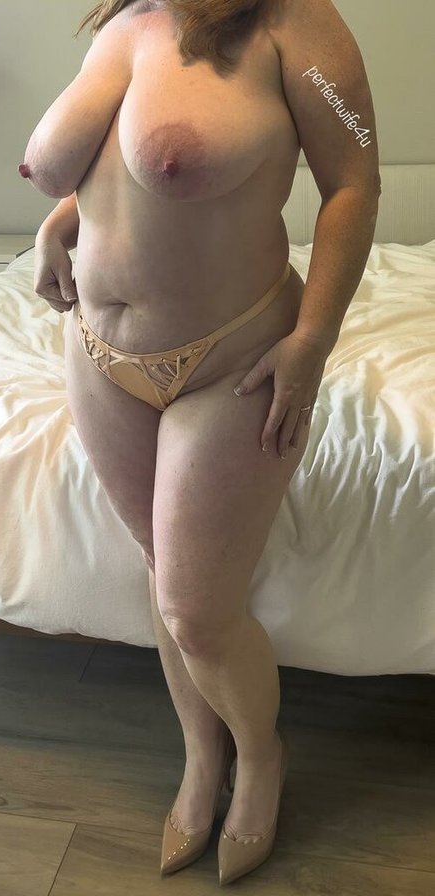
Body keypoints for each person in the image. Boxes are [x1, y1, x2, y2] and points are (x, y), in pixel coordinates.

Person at [24, 0, 380, 885]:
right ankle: (201, 751)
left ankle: (260, 754)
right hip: (97, 353)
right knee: (159, 563)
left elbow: (353, 182)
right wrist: (60, 220)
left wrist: (313, 341)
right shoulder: (126, 17)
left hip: (235, 358)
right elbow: (118, 162)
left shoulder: (294, 21)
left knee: (196, 611)